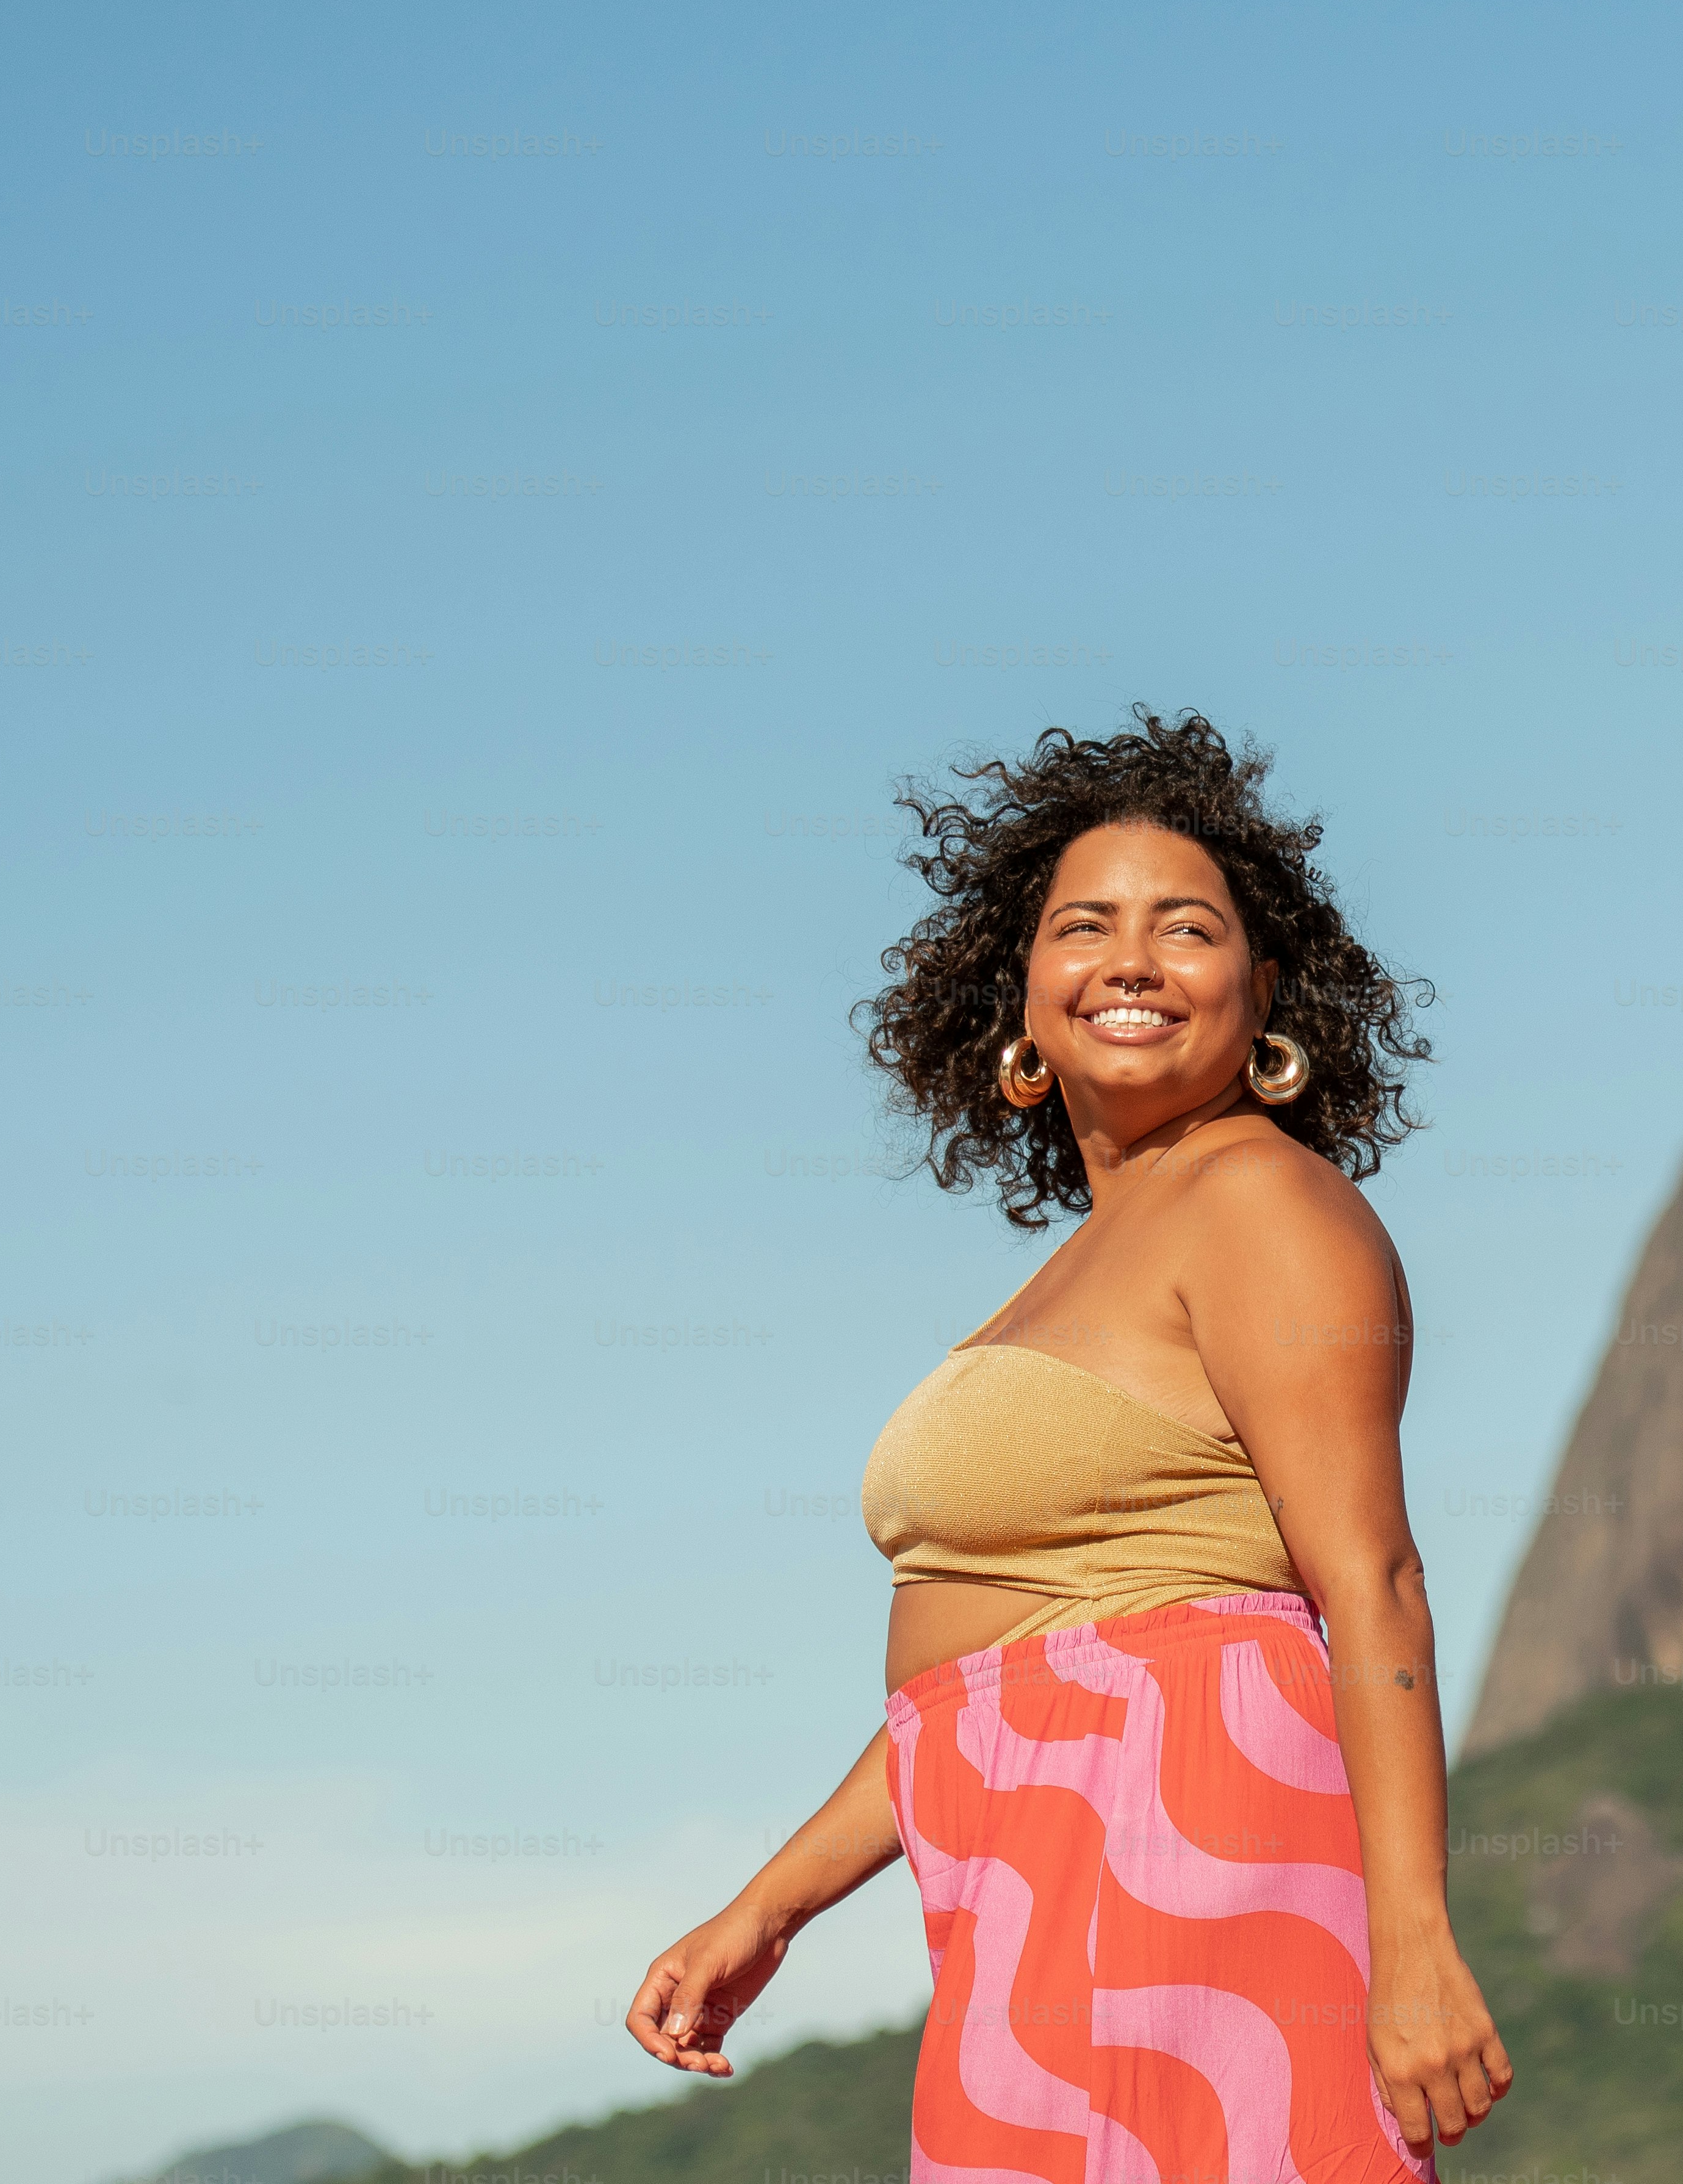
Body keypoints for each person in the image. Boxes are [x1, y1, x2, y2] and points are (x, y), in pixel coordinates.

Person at [624, 711, 1509, 2182]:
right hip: (1022, 1872)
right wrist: (769, 1903)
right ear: (1023, 994)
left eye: (1189, 926)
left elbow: (1376, 1576)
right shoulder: (1085, 1260)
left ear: (1263, 990)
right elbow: (993, 1667)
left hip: (1189, 1834)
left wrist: (1411, 1938)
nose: (1134, 958)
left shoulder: (1258, 1206)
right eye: (1084, 925)